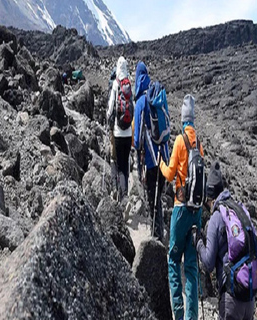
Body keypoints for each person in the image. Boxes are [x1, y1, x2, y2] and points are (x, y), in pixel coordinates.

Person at [196, 162, 257, 320]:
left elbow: (208, 263)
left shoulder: (217, 217)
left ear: (209, 198)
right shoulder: (237, 208)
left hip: (231, 298)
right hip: (249, 296)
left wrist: (198, 242)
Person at [159, 94, 204, 320]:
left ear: (183, 119)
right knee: (192, 268)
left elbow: (169, 174)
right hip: (197, 212)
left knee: (173, 260)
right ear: (193, 120)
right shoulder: (199, 144)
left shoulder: (179, 141)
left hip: (180, 208)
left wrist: (161, 163)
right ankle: (191, 317)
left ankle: (177, 312)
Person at [133, 61, 169, 242]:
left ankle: (155, 240)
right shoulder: (159, 97)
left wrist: (138, 155)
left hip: (150, 160)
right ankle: (159, 234)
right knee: (159, 199)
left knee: (152, 200)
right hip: (164, 158)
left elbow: (138, 138)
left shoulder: (140, 102)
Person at [107, 56, 133, 200]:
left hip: (118, 132)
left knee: (118, 163)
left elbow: (111, 108)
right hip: (128, 133)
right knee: (125, 165)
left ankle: (121, 196)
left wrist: (108, 119)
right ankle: (125, 194)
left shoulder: (116, 85)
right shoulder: (129, 84)